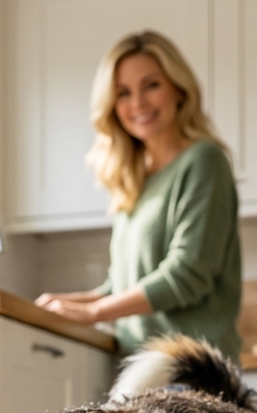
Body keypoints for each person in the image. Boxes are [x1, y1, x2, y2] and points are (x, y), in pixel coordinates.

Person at [37, 30, 242, 361]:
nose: (138, 103)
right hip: (142, 368)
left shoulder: (204, 161)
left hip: (193, 372)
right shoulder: (134, 180)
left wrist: (94, 313)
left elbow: (186, 275)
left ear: (179, 88)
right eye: (122, 93)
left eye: (151, 85)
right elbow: (122, 285)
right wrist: (70, 303)